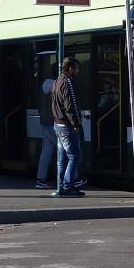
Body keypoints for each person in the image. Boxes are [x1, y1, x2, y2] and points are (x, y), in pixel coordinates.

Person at [51, 57, 86, 197]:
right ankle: (67, 185)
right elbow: (71, 106)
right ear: (70, 68)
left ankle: (61, 187)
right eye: (77, 68)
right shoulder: (68, 82)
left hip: (58, 124)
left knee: (62, 157)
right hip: (67, 125)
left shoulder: (57, 81)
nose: (78, 71)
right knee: (74, 156)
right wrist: (76, 124)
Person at [35, 72, 56, 189]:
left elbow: (39, 105)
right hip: (55, 123)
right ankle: (71, 179)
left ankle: (40, 179)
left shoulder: (42, 87)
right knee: (65, 152)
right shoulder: (57, 86)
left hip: (44, 122)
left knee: (46, 153)